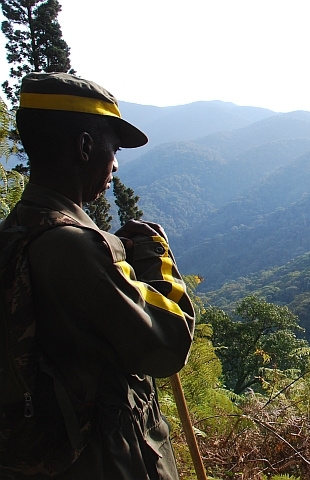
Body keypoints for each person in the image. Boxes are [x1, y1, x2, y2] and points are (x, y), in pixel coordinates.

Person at [1, 72, 195, 479]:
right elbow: (167, 342)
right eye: (113, 148)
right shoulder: (75, 247)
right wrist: (154, 254)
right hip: (107, 462)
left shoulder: (16, 231)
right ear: (85, 146)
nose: (117, 164)